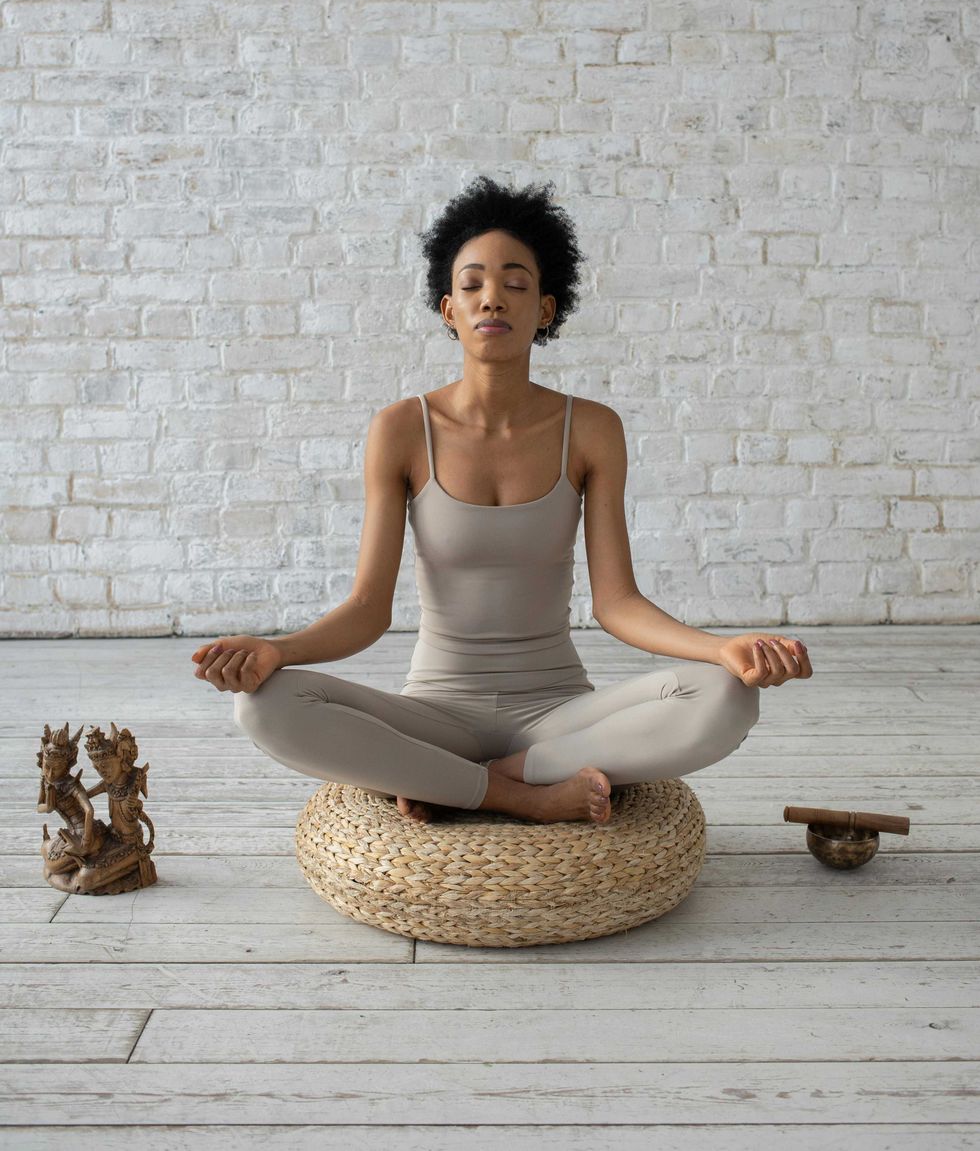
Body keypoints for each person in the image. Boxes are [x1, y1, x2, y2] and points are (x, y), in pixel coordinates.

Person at [191, 176, 812, 827]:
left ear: (544, 309)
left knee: (728, 696)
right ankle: (523, 795)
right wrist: (277, 652)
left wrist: (721, 649)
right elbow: (367, 609)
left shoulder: (592, 429)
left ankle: (492, 777)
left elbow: (617, 603)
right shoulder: (402, 429)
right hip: (435, 713)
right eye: (473, 284)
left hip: (560, 715)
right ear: (448, 308)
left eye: (516, 283)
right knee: (263, 703)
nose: (493, 297)